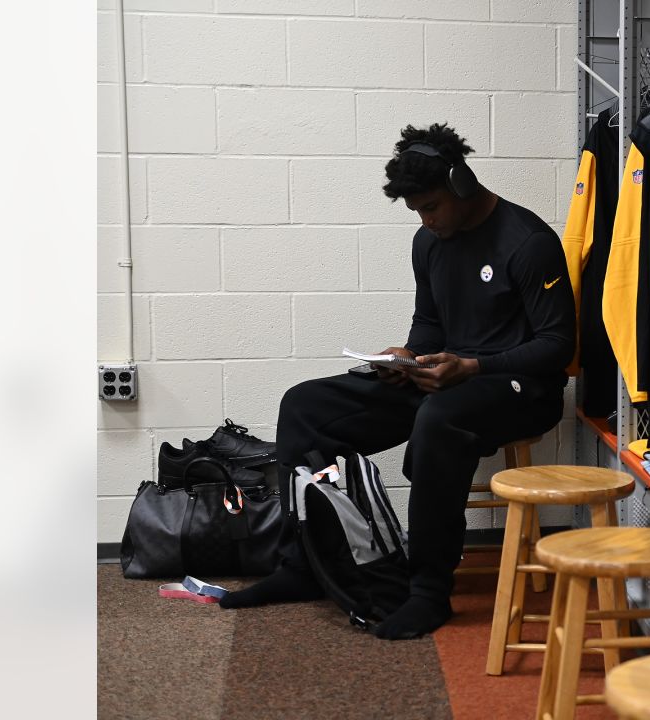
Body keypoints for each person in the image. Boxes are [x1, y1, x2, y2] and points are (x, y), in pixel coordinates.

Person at [219, 123, 576, 640]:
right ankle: (303, 563)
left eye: (430, 207)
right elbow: (430, 323)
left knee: (439, 419)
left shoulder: (529, 242)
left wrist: (472, 366)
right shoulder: (429, 243)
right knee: (304, 406)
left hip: (520, 389)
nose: (425, 221)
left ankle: (430, 592)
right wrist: (407, 356)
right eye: (416, 212)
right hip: (445, 380)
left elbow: (557, 347)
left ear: (461, 184)